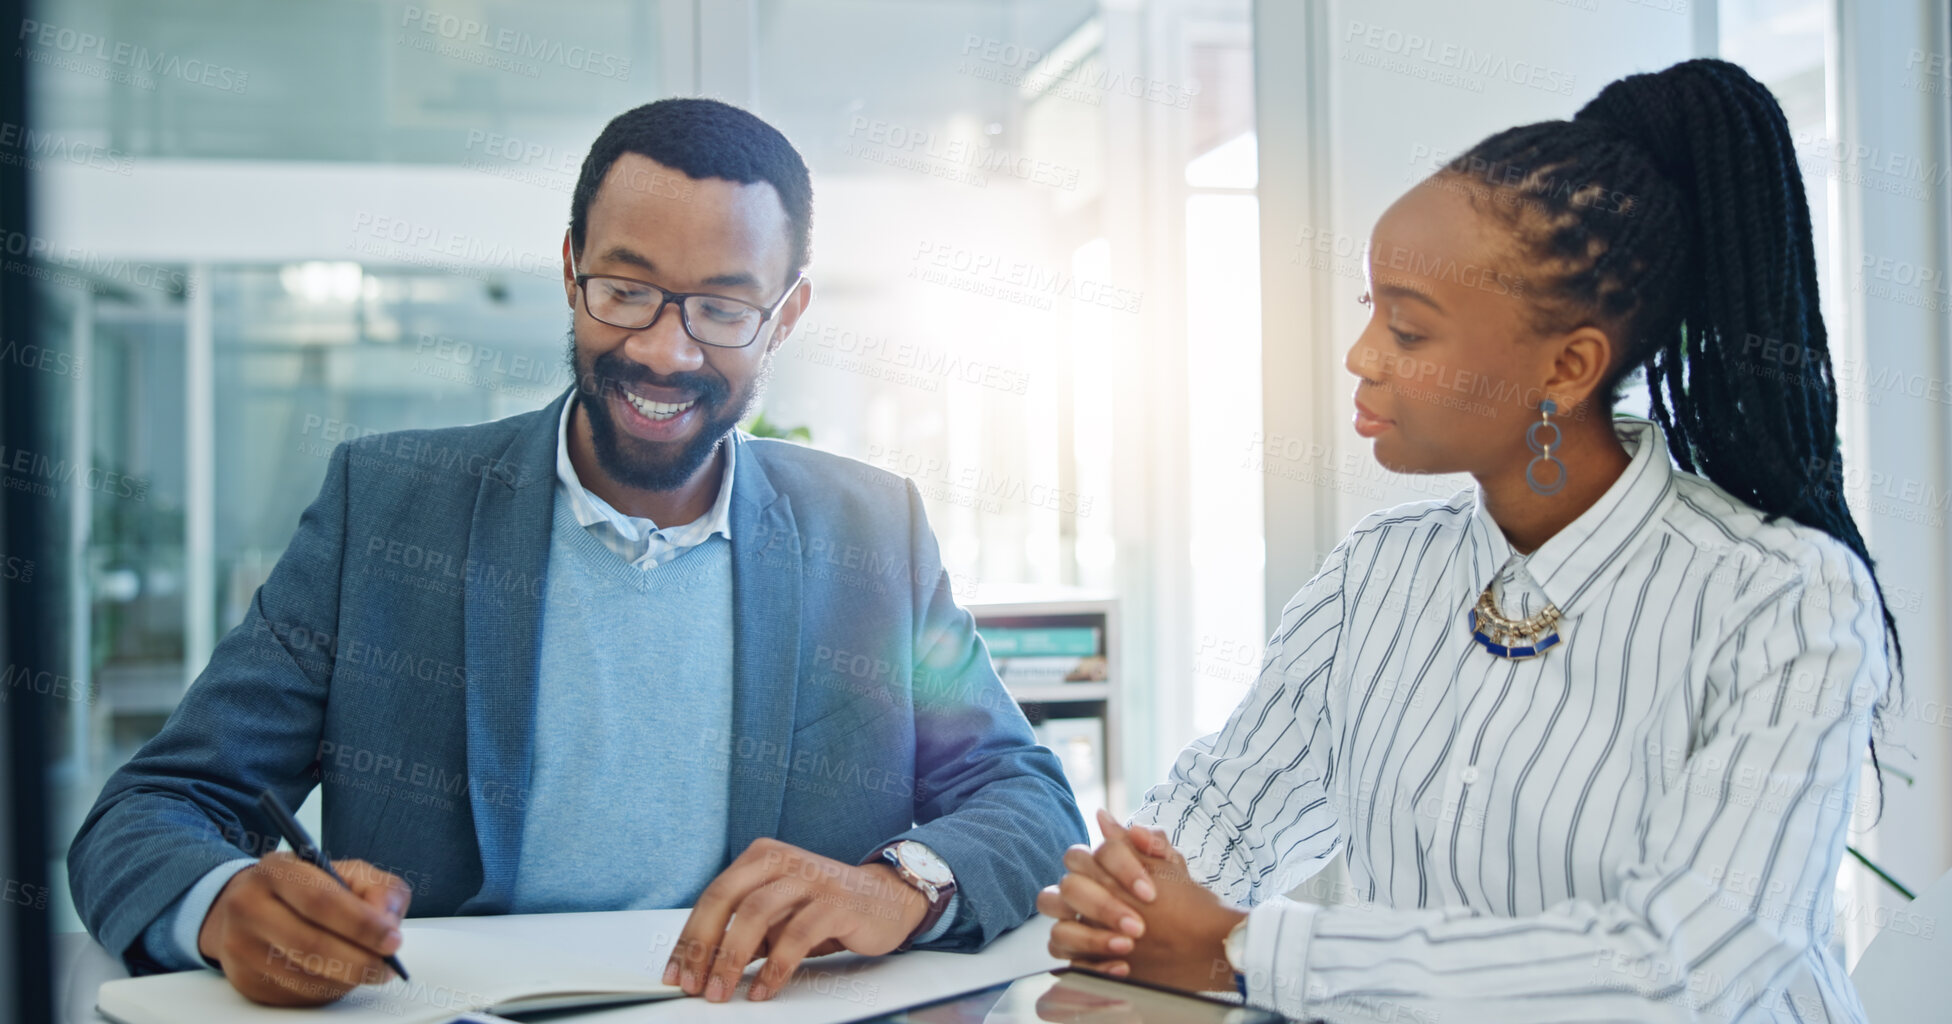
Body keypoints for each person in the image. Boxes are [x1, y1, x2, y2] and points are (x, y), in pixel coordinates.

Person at [68, 97, 1086, 1007]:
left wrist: (896, 883)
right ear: (569, 270)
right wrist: (223, 901)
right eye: (625, 290)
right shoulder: (386, 511)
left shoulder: (871, 532)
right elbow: (153, 809)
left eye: (723, 309)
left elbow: (1026, 794)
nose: (663, 351)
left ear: (787, 316)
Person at [1041, 59, 1898, 1023]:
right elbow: (1233, 801)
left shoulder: (1783, 596)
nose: (1362, 358)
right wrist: (1137, 897)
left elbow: (1679, 968)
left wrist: (1240, 950)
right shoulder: (1379, 569)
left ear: (1567, 367)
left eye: (1408, 331)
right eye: (1373, 312)